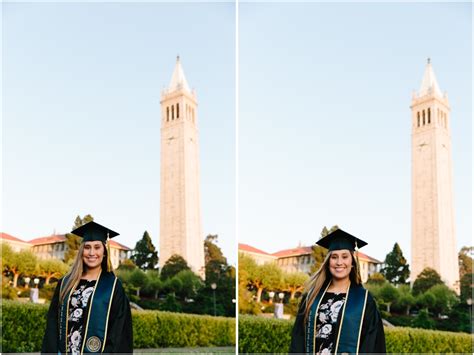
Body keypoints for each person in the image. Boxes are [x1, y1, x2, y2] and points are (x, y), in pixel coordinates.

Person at [42, 221, 133, 354]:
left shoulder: (113, 286)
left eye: (97, 247)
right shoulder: (66, 283)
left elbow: (119, 330)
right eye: (87, 247)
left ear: (104, 252)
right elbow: (52, 323)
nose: (91, 252)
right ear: (81, 251)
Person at [290, 228, 386, 354]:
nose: (339, 262)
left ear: (352, 262)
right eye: (334, 257)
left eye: (345, 257)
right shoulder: (312, 297)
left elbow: (372, 343)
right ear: (328, 262)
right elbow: (298, 339)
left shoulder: (364, 300)